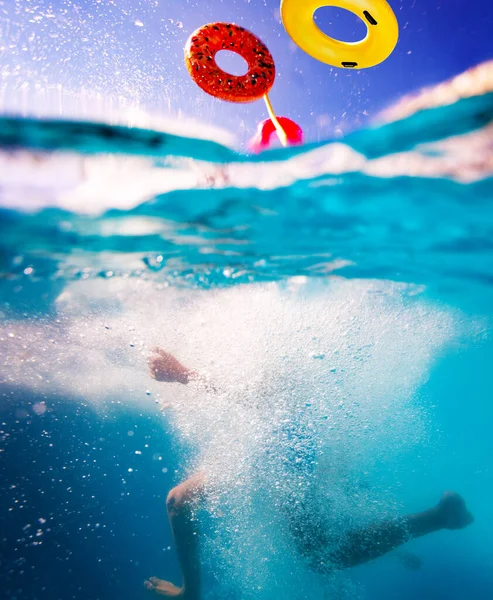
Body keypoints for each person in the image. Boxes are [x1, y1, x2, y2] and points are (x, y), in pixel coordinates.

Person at [144, 348, 474, 599]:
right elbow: (266, 394)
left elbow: (263, 395)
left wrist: (185, 374)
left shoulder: (260, 447)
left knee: (320, 556)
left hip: (295, 446)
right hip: (322, 435)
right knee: (336, 512)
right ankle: (410, 535)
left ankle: (440, 517)